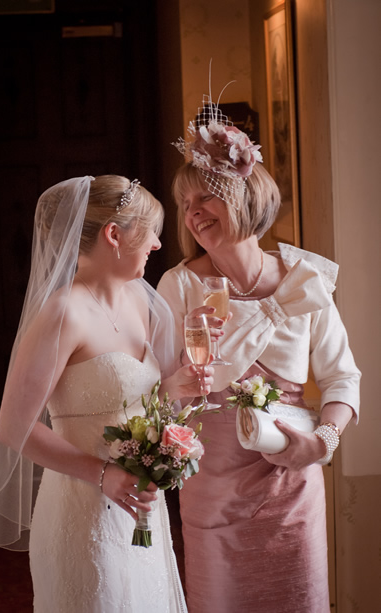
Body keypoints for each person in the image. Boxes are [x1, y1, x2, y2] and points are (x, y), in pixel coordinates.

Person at [157, 101, 361, 612]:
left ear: (244, 195)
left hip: (293, 492)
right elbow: (152, 390)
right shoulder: (179, 285)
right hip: (213, 495)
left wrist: (324, 440)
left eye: (206, 196)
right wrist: (181, 382)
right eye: (185, 202)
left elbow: (342, 378)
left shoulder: (303, 279)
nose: (193, 212)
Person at [0, 174, 213, 612]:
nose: (158, 246)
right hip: (82, 512)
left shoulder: (140, 301)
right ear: (114, 234)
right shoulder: (63, 313)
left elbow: (135, 403)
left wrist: (173, 386)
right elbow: (15, 428)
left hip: (141, 510)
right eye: (151, 233)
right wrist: (104, 476)